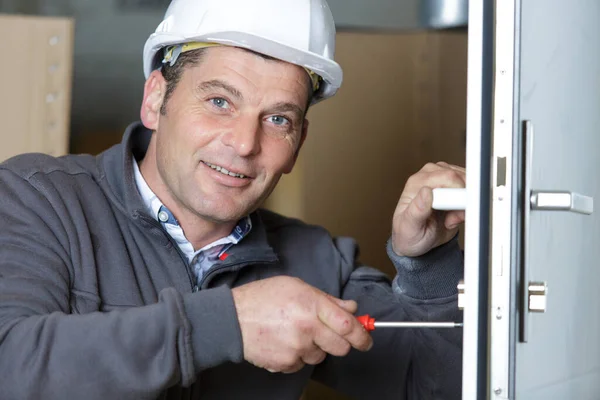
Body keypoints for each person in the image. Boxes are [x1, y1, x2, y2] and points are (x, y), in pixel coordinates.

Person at [0, 0, 466, 399]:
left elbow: (438, 386)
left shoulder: (315, 263)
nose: (245, 143)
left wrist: (430, 265)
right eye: (220, 101)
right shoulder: (38, 200)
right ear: (155, 99)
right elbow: (11, 365)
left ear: (299, 143)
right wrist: (229, 324)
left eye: (278, 120)